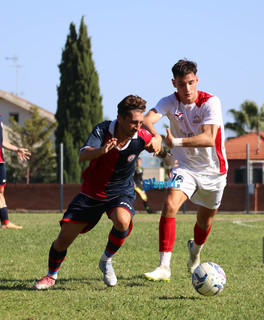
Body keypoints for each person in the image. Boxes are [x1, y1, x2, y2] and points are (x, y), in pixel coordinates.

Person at [33, 95, 174, 290]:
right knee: (63, 240)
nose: (138, 126)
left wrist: (167, 157)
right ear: (120, 118)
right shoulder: (102, 130)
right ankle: (51, 275)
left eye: (140, 122)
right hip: (92, 193)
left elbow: (157, 148)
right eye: (134, 122)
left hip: (120, 193)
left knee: (123, 220)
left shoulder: (141, 135)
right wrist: (102, 150)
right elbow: (83, 154)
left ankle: (106, 260)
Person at [142, 59, 228, 282]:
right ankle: (164, 267)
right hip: (185, 168)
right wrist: (155, 136)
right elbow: (145, 119)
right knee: (170, 204)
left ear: (197, 80)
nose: (187, 89)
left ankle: (195, 251)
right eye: (181, 84)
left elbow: (209, 138)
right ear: (174, 83)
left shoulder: (211, 102)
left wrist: (174, 143)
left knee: (204, 223)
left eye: (191, 83)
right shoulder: (169, 102)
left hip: (213, 171)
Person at [0, 114, 31, 229]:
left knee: (1, 191)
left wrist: (16, 149)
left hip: (1, 160)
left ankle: (5, 222)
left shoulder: (0, 117)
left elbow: (1, 140)